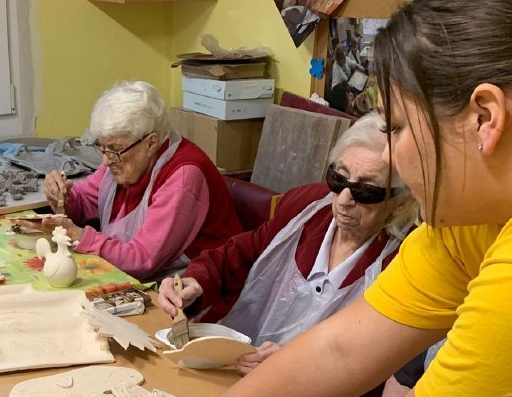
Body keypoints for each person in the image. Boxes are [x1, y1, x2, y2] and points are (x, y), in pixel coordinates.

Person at [94, 0, 512, 397]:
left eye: (397, 128)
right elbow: (340, 349)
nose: (391, 155)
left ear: (485, 119)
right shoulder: (466, 222)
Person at [157, 114, 413, 375]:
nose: (344, 200)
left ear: (400, 204)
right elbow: (241, 253)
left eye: (366, 191)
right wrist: (196, 282)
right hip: (234, 362)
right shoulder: (307, 206)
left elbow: (376, 363)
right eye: (339, 179)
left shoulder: (407, 264)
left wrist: (296, 365)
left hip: (314, 391)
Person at [41, 81, 239, 282]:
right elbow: (86, 199)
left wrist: (79, 236)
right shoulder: (124, 157)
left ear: (151, 143)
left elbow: (141, 261)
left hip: (191, 288)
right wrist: (63, 196)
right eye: (102, 148)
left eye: (115, 149)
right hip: (139, 275)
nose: (106, 160)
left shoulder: (183, 177)